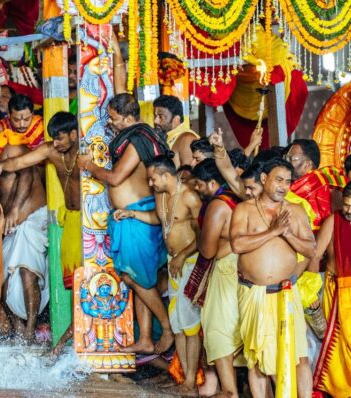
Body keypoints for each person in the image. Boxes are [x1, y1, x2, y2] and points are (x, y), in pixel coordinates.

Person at [78, 93, 172, 355]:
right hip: (129, 217)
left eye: (114, 118)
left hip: (138, 217)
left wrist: (89, 166)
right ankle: (145, 339)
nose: (111, 123)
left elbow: (117, 178)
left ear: (130, 117)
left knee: (135, 278)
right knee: (140, 279)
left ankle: (166, 329)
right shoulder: (133, 137)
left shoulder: (138, 139)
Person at [230, 158, 316, 398]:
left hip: (285, 293)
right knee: (256, 359)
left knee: (298, 356)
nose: (283, 186)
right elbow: (237, 244)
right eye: (279, 180)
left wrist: (287, 234)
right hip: (253, 293)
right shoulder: (244, 210)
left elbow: (311, 249)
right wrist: (273, 232)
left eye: (288, 182)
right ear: (264, 178)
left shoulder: (295, 211)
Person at [116, 154, 201, 395]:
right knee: (178, 325)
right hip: (174, 263)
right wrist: (131, 214)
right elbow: (159, 219)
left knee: (190, 326)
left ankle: (191, 383)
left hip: (190, 262)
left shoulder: (190, 197)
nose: (151, 184)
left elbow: (204, 234)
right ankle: (185, 378)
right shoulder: (161, 196)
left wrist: (183, 255)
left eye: (154, 179)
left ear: (166, 175)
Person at [0, 115, 47, 342]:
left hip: (32, 217)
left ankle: (30, 330)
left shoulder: (13, 148)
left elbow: (27, 173)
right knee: (0, 272)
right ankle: (16, 326)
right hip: (10, 225)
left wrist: (14, 209)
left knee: (26, 269)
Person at [0, 112, 82, 291]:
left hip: (88, 218)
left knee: (89, 269)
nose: (56, 143)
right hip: (70, 218)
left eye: (60, 139)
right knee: (72, 272)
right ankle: (78, 317)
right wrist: (0, 165)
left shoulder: (85, 152)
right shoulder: (51, 150)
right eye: (54, 139)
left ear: (74, 135)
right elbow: (19, 163)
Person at [190, 159, 243, 398]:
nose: (197, 189)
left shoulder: (218, 205)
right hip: (243, 265)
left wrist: (197, 230)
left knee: (217, 327)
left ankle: (229, 389)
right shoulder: (239, 197)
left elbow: (208, 251)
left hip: (226, 269)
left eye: (199, 184)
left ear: (213, 182)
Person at [312, 183, 351, 397]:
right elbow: (316, 255)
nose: (349, 211)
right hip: (335, 291)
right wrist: (308, 289)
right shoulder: (333, 222)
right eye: (346, 205)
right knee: (337, 348)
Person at [284, 139, 348, 232]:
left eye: (292, 159)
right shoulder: (290, 185)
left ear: (308, 164)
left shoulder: (321, 182)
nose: (286, 163)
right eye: (286, 158)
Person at [153, 95, 198, 168]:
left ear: (176, 119)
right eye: (155, 116)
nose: (156, 121)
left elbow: (188, 176)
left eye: (161, 117)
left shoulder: (186, 139)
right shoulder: (163, 136)